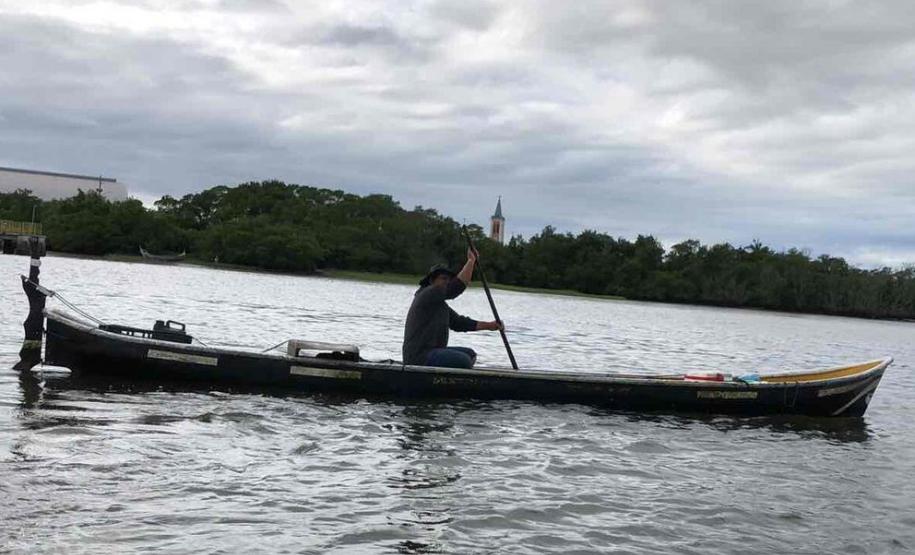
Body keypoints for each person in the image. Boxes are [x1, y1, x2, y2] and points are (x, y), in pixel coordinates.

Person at [402, 249, 503, 368]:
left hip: (433, 352)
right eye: (443, 278)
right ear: (432, 281)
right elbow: (456, 287)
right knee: (463, 360)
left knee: (470, 355)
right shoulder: (428, 293)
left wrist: (490, 325)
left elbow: (459, 323)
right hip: (419, 356)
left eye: (448, 279)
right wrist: (471, 261)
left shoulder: (440, 305)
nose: (447, 282)